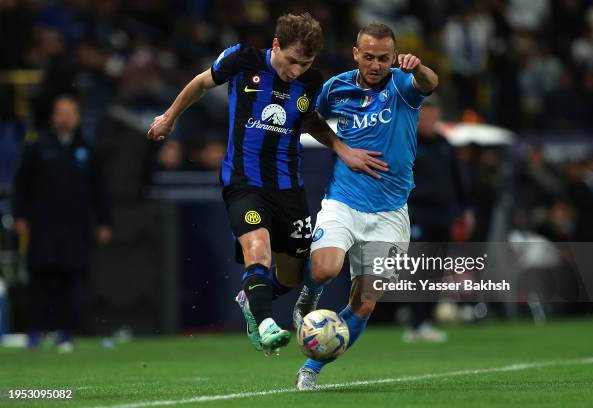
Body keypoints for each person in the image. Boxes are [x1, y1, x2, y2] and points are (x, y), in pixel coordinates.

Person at [147, 13, 387, 355]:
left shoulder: (310, 82)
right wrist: (169, 117)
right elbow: (201, 83)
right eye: (291, 61)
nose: (295, 71)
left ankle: (252, 298)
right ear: (276, 45)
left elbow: (311, 122)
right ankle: (265, 324)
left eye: (304, 64)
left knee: (291, 277)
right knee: (257, 250)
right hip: (243, 183)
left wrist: (343, 150)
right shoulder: (242, 59)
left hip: (288, 188)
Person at [293, 23, 438, 389]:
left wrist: (417, 67)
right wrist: (343, 149)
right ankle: (309, 296)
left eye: (384, 58)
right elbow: (310, 118)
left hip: (390, 213)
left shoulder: (403, 84)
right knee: (325, 270)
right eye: (369, 57)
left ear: (393, 57)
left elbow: (430, 83)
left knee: (366, 303)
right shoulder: (336, 87)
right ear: (356, 53)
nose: (376, 65)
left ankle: (312, 368)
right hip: (344, 199)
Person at [11, 95, 112, 352]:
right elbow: (21, 185)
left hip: (75, 226)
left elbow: (99, 190)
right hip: (43, 224)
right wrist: (20, 216)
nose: (65, 118)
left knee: (71, 280)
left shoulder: (87, 150)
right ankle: (34, 331)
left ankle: (65, 332)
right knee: (41, 278)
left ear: (77, 117)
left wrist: (103, 221)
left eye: (70, 112)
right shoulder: (37, 147)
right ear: (53, 116)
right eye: (61, 112)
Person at [402, 97, 474, 343]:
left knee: (436, 271)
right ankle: (415, 323)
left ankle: (426, 322)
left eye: (434, 114)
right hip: (419, 214)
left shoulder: (445, 144)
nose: (430, 119)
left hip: (444, 216)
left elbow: (458, 180)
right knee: (419, 271)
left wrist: (465, 209)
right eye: (426, 114)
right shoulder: (409, 143)